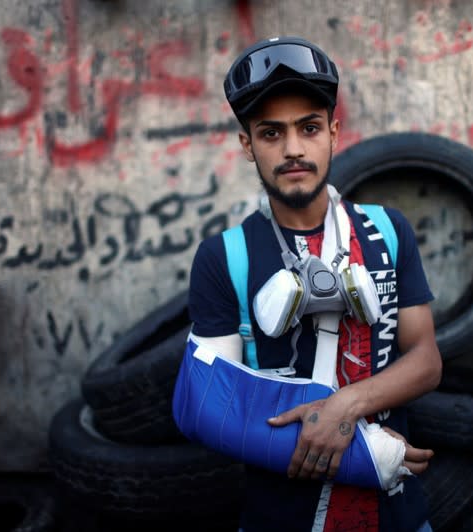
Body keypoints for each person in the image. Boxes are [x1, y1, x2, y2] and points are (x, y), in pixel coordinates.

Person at [187, 36, 442, 532]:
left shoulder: (388, 231)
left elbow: (426, 359)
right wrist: (367, 454)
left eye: (308, 128)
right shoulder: (224, 257)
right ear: (247, 145)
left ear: (334, 133)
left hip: (397, 517)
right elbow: (212, 410)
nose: (293, 149)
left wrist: (345, 407)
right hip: (279, 518)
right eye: (270, 133)